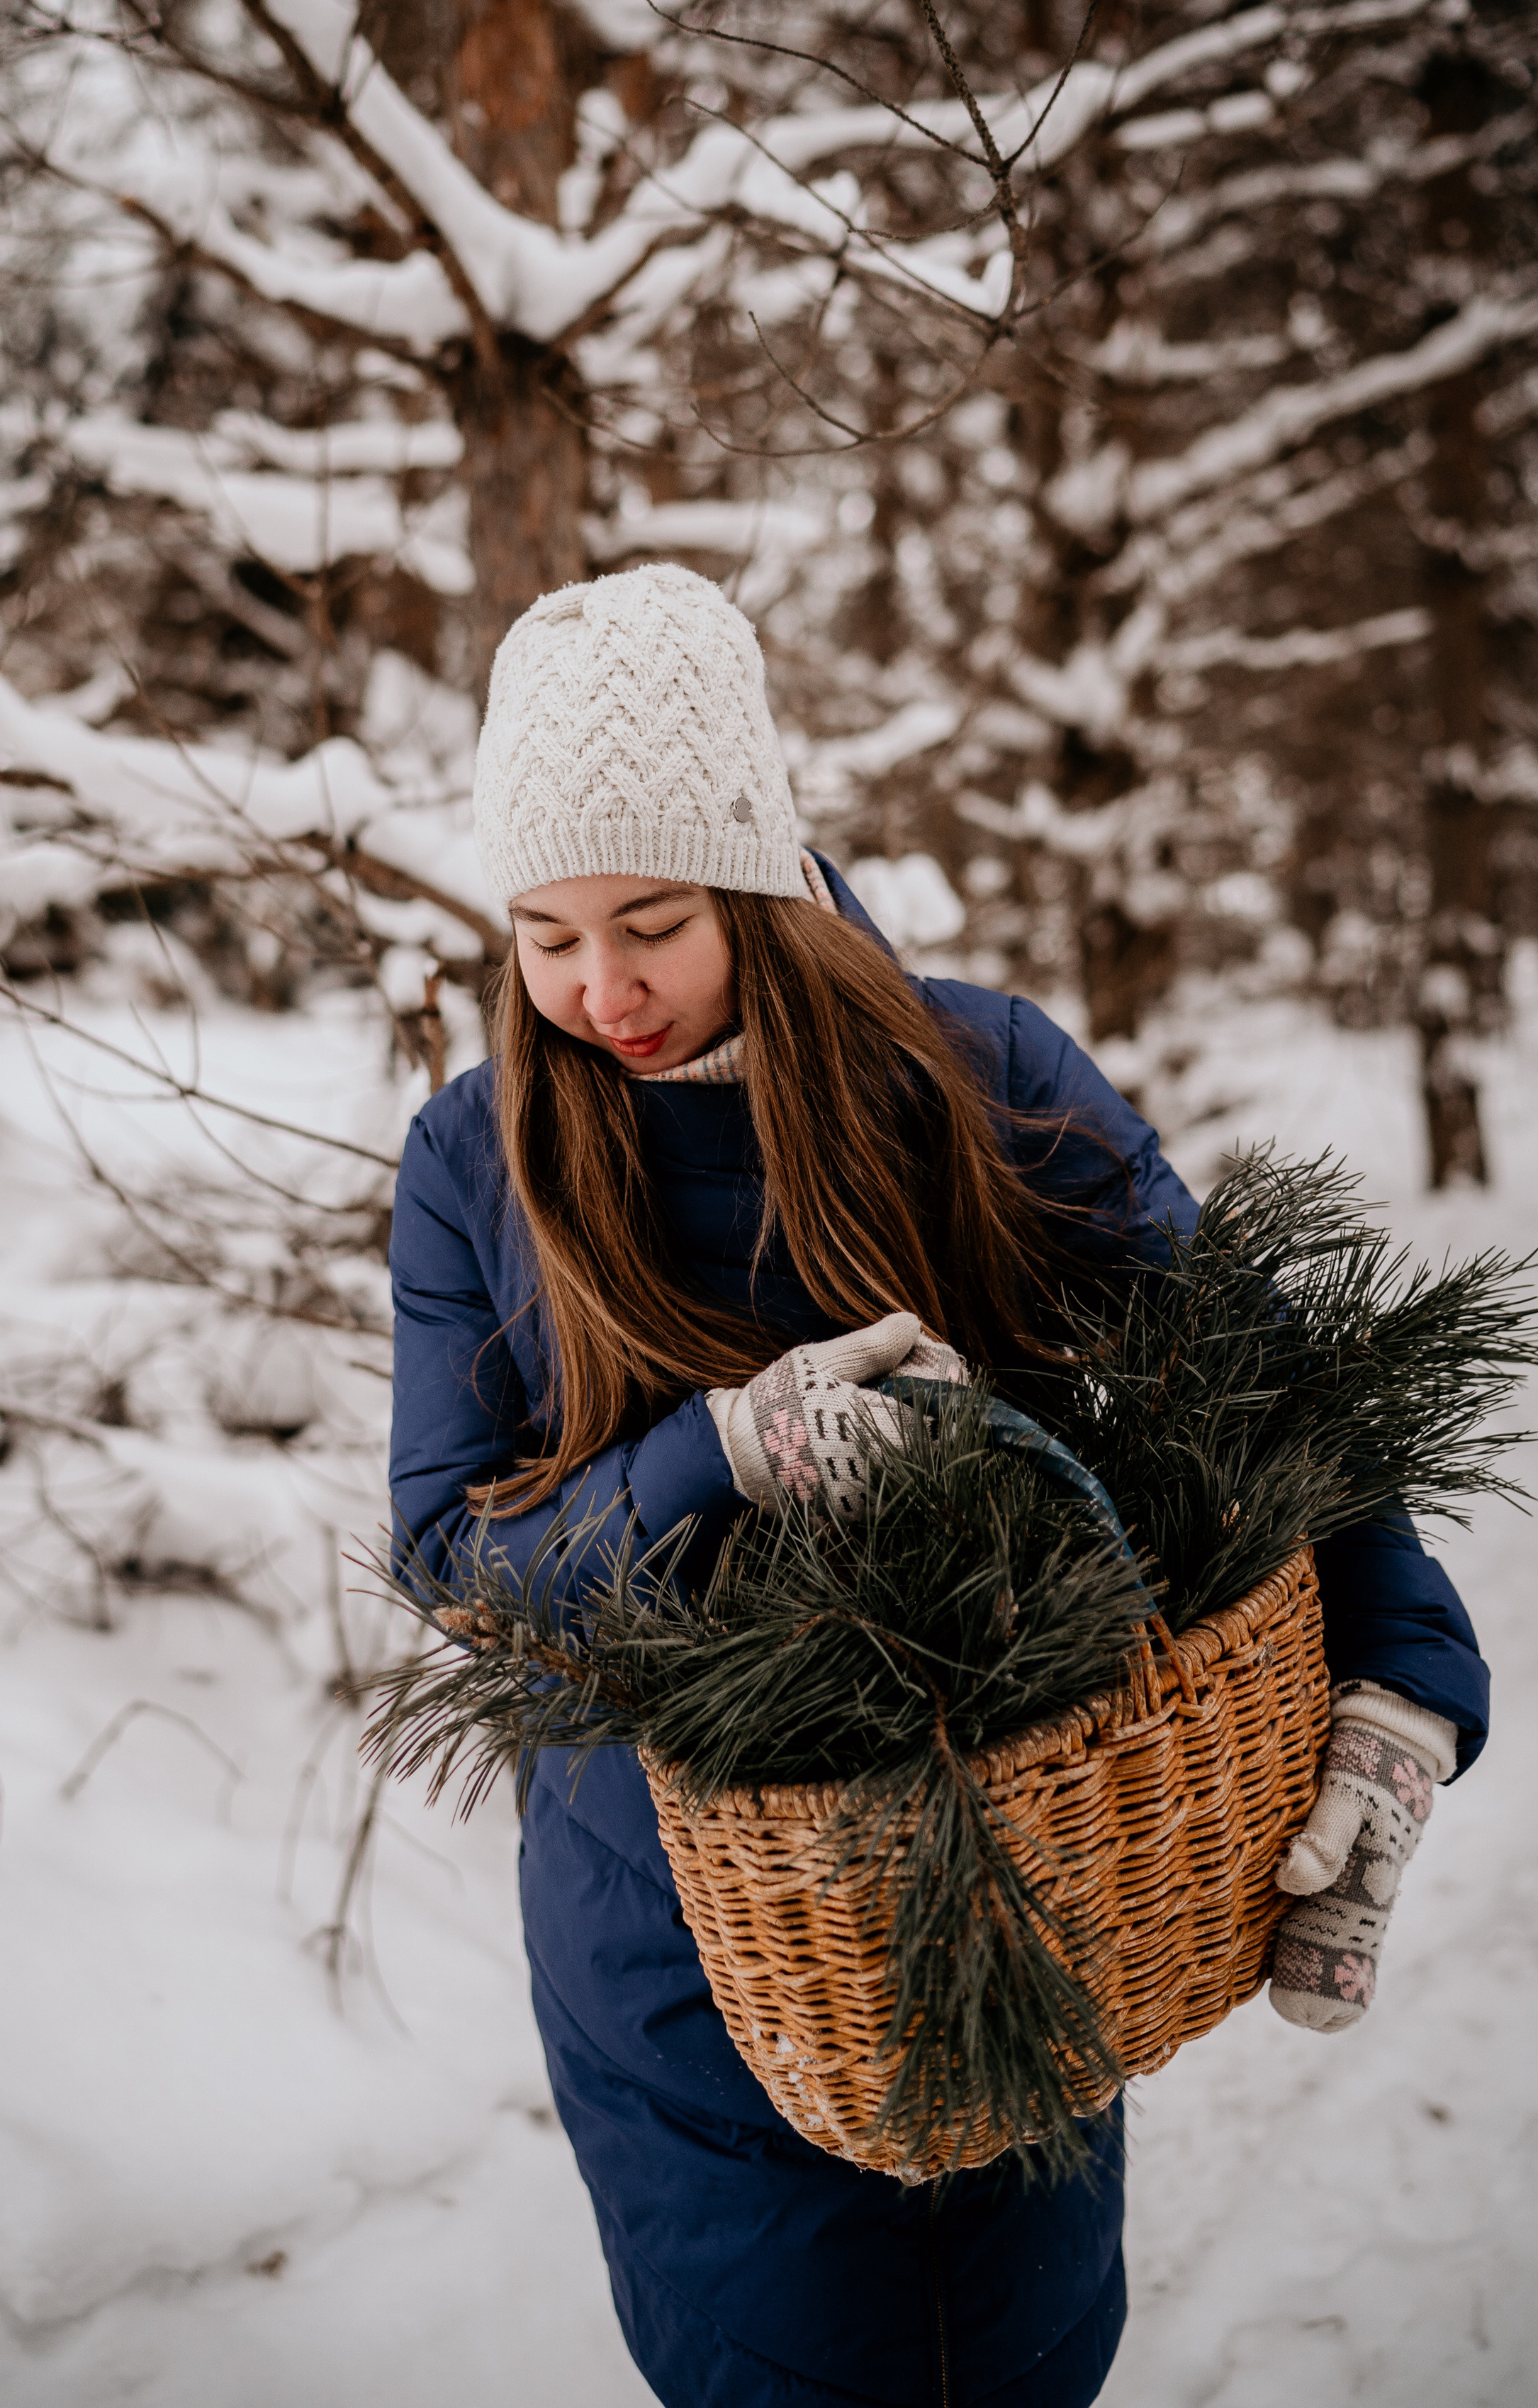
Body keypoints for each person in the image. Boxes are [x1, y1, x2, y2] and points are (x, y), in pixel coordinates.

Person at [388, 564, 1488, 2408]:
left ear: (754, 867)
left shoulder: (974, 1075)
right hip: (664, 1936)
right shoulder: (472, 1161)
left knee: (1024, 2349)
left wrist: (1409, 1682)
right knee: (783, 2362)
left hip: (1022, 1882)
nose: (599, 989)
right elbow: (450, 1551)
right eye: (544, 935)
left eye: (650, 919)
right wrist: (721, 1450)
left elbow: (1254, 1366)